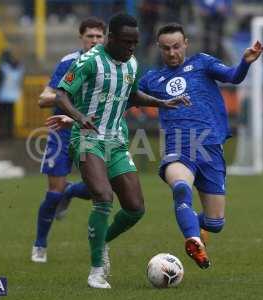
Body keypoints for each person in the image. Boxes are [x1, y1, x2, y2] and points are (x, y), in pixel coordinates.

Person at [41, 13, 189, 289]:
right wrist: (78, 117)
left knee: (135, 208)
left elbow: (132, 95)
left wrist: (164, 103)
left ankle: (102, 241)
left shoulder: (131, 63)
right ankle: (96, 270)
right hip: (87, 139)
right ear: (111, 39)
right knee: (103, 196)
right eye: (126, 42)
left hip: (118, 142)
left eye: (135, 42)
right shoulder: (88, 61)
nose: (132, 48)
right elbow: (61, 94)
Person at [139, 23, 263, 269]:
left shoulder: (203, 63)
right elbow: (125, 99)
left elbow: (232, 76)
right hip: (179, 146)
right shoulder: (151, 79)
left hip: (210, 148)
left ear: (185, 42)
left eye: (176, 46)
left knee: (215, 222)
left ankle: (196, 228)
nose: (172, 53)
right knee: (181, 187)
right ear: (158, 48)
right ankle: (194, 240)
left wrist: (246, 62)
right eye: (166, 48)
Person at [31, 17, 106, 263]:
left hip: (92, 133)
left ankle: (71, 191)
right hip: (62, 133)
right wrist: (63, 98)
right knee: (53, 193)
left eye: (98, 36)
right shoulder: (69, 62)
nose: (94, 41)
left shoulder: (110, 64)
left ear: (105, 38)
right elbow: (44, 98)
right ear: (81, 38)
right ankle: (40, 244)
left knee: (101, 190)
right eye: (90, 36)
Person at [0, 49, 24, 139]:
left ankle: (0, 134)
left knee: (1, 116)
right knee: (10, 116)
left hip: (2, 95)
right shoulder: (19, 68)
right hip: (13, 95)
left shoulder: (3, 67)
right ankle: (10, 134)